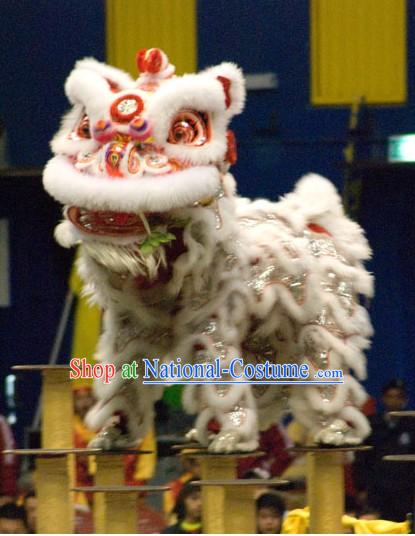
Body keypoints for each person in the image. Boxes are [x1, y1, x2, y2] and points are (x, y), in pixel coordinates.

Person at [354, 379, 415, 521]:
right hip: (377, 488)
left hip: (405, 489)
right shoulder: (372, 423)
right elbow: (361, 457)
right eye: (390, 396)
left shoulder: (411, 424)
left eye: (398, 397)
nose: (394, 401)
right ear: (383, 398)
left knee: (403, 525)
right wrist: (361, 487)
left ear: (404, 399)